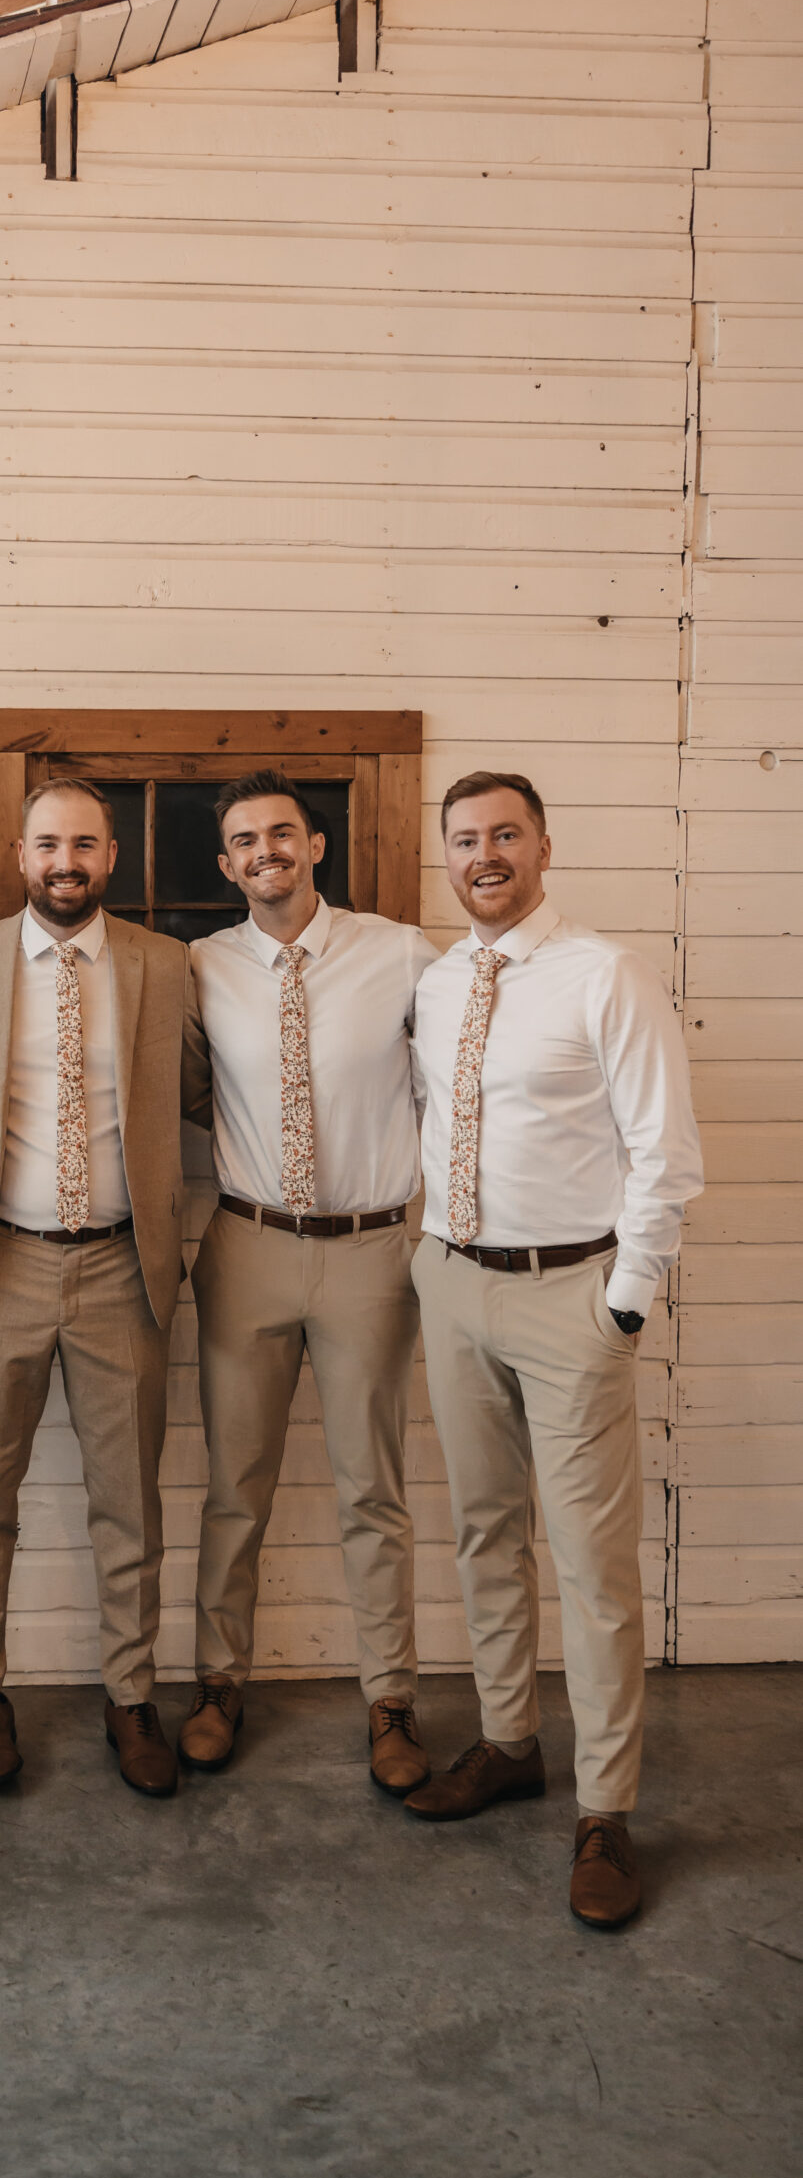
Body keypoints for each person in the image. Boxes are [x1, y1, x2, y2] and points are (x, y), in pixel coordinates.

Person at [406, 771, 702, 1929]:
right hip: (452, 1283)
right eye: (465, 840)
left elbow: (665, 1151)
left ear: (543, 845)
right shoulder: (438, 980)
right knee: (484, 1528)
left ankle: (605, 1810)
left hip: (570, 1293)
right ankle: (507, 1739)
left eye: (504, 836)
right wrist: (431, 1259)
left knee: (590, 1562)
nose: (484, 856)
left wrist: (622, 1305)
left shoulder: (604, 973)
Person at [0, 778, 207, 1797]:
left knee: (129, 1502)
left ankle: (131, 1697)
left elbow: (195, 1093)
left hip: (118, 1263)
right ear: (20, 853)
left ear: (110, 857)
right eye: (48, 843)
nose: (65, 861)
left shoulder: (161, 964)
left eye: (84, 844)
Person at [183, 770, 438, 1793]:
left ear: (316, 845)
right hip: (245, 1244)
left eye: (280, 833)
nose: (263, 852)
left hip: (372, 1250)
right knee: (234, 1487)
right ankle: (215, 1683)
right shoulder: (198, 966)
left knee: (372, 1488)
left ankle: (391, 1699)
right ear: (226, 863)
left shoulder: (405, 952)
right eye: (243, 840)